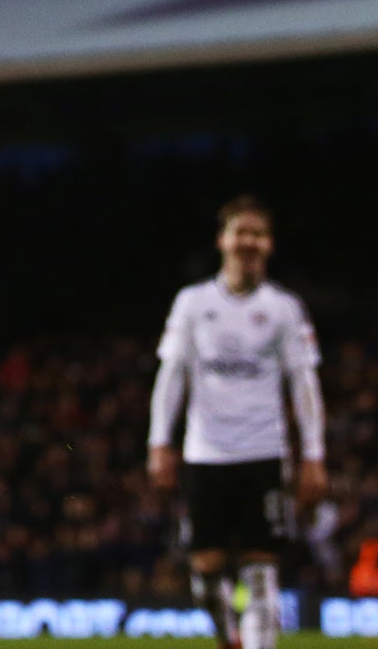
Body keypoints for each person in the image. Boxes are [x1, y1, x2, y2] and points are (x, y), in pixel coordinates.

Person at [147, 198, 327, 649]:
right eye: (239, 232)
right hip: (206, 452)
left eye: (256, 234)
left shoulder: (284, 308)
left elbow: (304, 384)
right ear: (222, 240)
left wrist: (313, 455)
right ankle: (230, 637)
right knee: (205, 570)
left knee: (261, 567)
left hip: (263, 453)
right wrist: (159, 443)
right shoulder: (192, 303)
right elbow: (172, 376)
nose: (247, 241)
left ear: (268, 244)